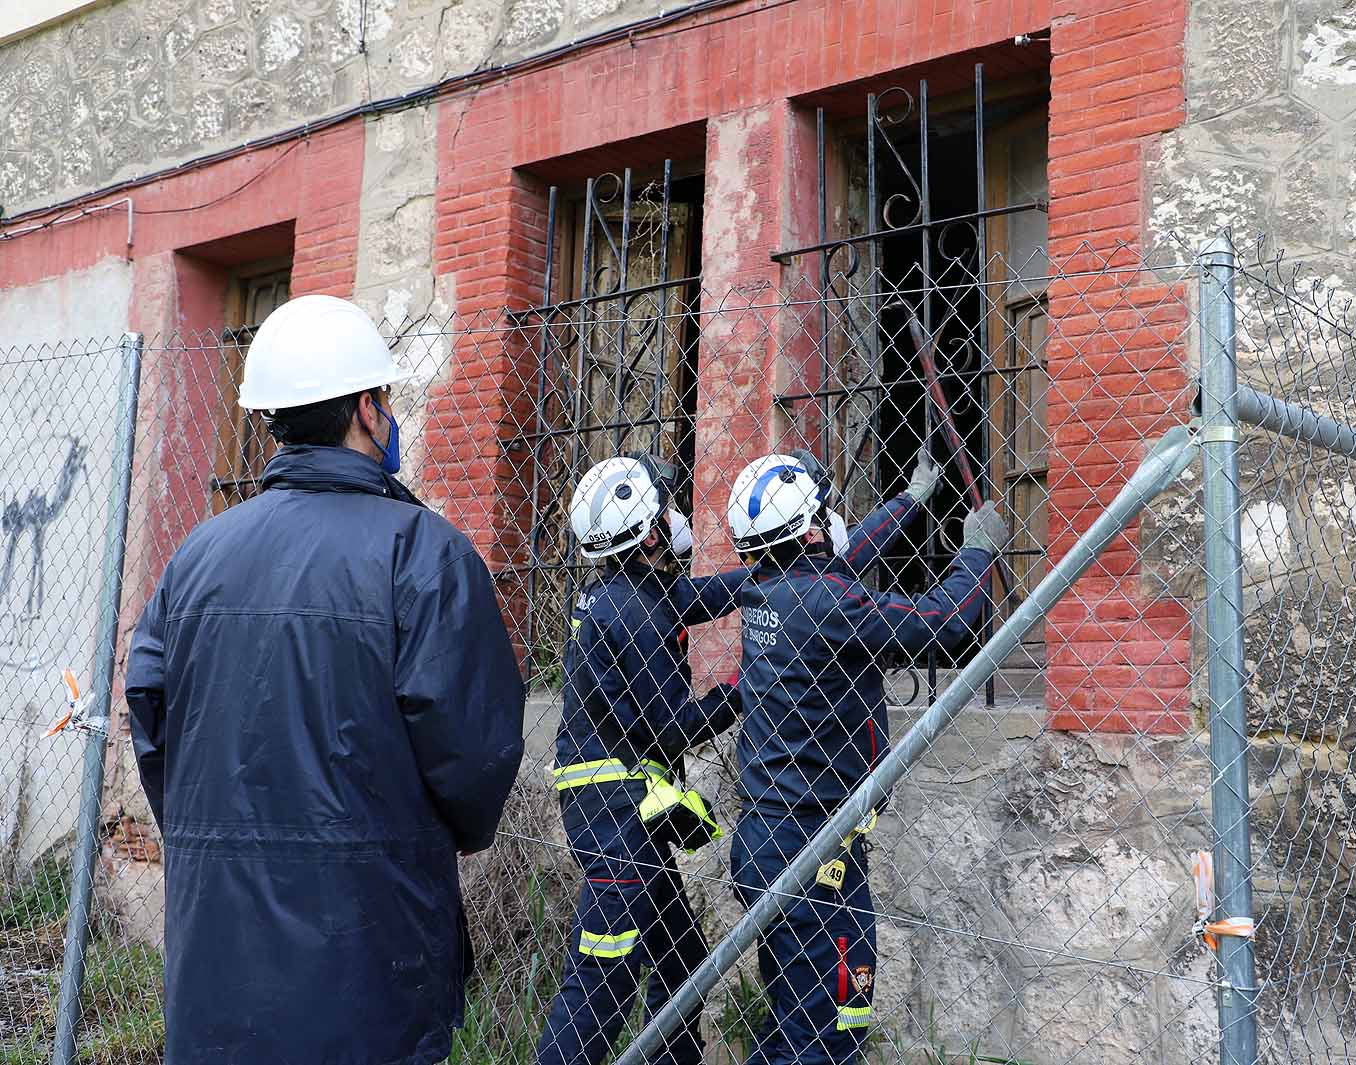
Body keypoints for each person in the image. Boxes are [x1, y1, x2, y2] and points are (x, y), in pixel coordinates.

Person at [125, 295, 526, 1065]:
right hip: (370, 965)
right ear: (370, 411)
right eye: (386, 400)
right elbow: (476, 756)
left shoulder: (195, 557)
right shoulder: (425, 554)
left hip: (214, 971)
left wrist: (213, 829)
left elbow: (152, 717)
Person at [536, 447, 942, 1065]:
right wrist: (749, 683)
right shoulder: (639, 611)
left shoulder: (630, 592)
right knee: (604, 973)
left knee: (679, 957)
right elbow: (673, 727)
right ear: (646, 534)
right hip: (614, 812)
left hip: (613, 803)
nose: (677, 517)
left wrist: (902, 509)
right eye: (666, 508)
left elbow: (766, 588)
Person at [724, 452, 1006, 1065]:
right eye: (826, 508)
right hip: (811, 846)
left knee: (809, 1016)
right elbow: (945, 622)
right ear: (810, 528)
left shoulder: (767, 593)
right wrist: (977, 553)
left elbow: (844, 560)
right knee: (819, 1034)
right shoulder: (828, 607)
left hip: (776, 841)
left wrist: (909, 501)